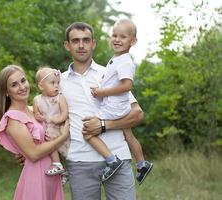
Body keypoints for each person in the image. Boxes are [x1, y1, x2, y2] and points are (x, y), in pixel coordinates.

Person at [60, 21, 143, 200]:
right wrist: (25, 151)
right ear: (67, 45)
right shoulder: (59, 81)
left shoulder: (111, 73)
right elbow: (42, 114)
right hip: (80, 161)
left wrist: (103, 125)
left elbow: (137, 114)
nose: (81, 45)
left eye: (86, 40)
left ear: (94, 43)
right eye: (75, 41)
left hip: (118, 157)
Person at [84, 19, 153, 184]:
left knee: (87, 131)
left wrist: (102, 92)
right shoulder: (118, 59)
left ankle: (111, 160)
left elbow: (127, 85)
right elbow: (114, 82)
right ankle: (142, 163)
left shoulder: (125, 61)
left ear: (133, 41)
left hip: (113, 108)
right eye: (114, 35)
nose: (117, 39)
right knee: (128, 134)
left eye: (122, 36)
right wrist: (102, 89)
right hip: (120, 107)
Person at [0, 65, 69, 200]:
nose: (22, 87)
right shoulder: (13, 118)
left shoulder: (34, 110)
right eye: (14, 85)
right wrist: (62, 137)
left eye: (23, 81)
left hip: (51, 174)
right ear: (6, 92)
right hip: (36, 176)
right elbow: (33, 154)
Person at [33, 67, 70, 176]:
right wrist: (38, 116)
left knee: (68, 152)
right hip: (47, 129)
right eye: (52, 83)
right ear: (41, 86)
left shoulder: (60, 98)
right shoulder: (37, 100)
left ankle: (66, 170)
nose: (56, 86)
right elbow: (36, 113)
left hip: (59, 127)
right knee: (49, 143)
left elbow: (65, 113)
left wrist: (58, 119)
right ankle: (57, 164)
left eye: (58, 83)